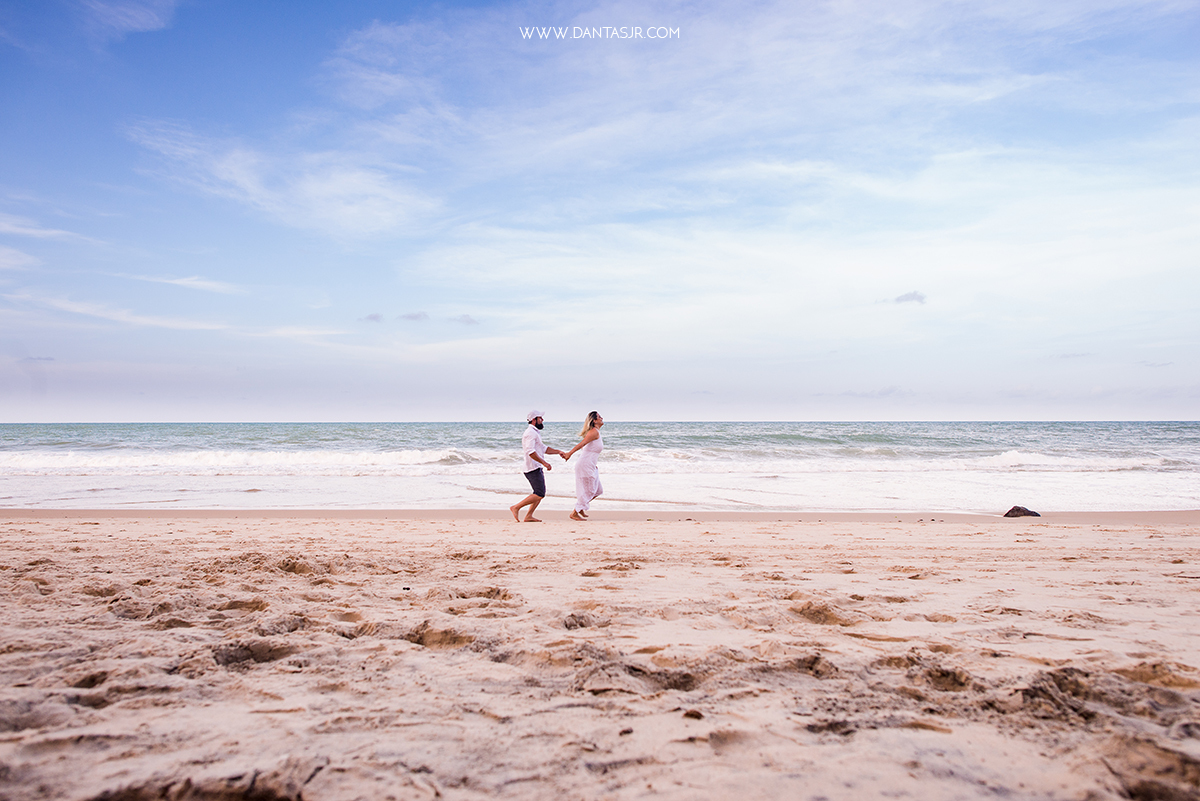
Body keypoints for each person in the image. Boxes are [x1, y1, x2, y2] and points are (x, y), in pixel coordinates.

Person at [510, 410, 566, 523]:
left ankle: (529, 516)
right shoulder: (530, 433)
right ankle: (516, 507)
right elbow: (530, 452)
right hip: (532, 467)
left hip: (536, 466)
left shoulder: (535, 432)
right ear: (534, 420)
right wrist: (544, 463)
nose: (542, 420)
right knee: (540, 493)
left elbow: (544, 448)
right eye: (540, 418)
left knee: (538, 492)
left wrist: (558, 451)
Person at [563, 411, 603, 521]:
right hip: (585, 465)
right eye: (599, 417)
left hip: (590, 465)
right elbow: (582, 444)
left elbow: (586, 449)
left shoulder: (596, 432)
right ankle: (574, 513)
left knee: (598, 490)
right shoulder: (594, 432)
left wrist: (593, 464)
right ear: (594, 421)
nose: (602, 418)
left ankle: (580, 507)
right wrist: (569, 454)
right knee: (589, 490)